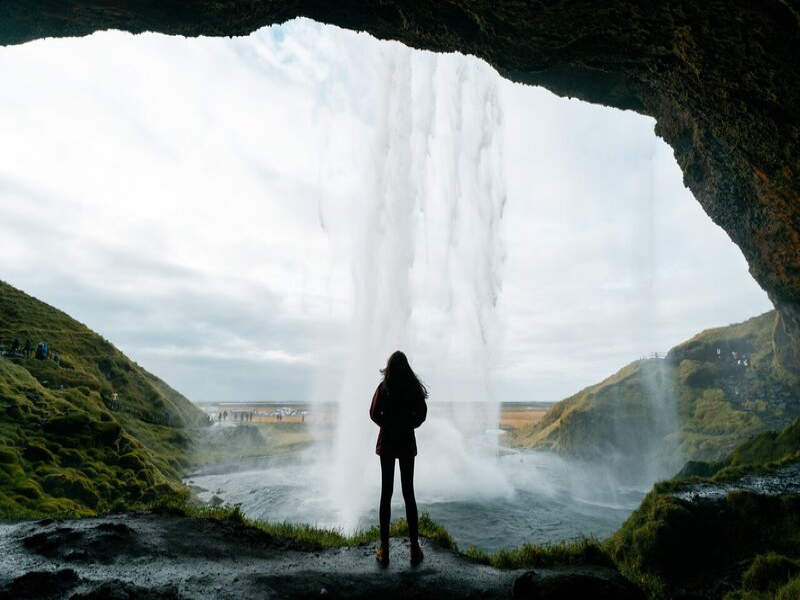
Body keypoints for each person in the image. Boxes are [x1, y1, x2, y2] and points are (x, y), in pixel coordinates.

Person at [369, 350, 428, 566]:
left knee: (386, 494)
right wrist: (409, 425)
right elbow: (422, 413)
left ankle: (384, 550)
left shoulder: (384, 387)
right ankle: (414, 549)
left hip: (387, 444)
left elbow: (373, 412)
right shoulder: (412, 387)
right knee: (408, 493)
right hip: (406, 443)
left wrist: (387, 425)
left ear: (390, 367)